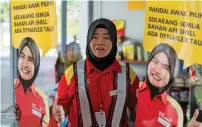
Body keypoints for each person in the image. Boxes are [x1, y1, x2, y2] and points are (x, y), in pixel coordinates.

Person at [48, 18, 139, 127]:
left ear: (114, 41)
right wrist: (59, 112)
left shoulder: (128, 75)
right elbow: (59, 114)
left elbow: (139, 112)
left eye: (106, 37)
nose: (100, 42)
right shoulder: (72, 73)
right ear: (88, 40)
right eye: (95, 37)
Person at [135, 43, 201, 127]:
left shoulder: (175, 109)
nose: (157, 70)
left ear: (172, 75)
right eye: (155, 61)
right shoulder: (132, 89)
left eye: (166, 67)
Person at [14, 37, 50, 127]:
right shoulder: (8, 89)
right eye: (22, 56)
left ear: (36, 65)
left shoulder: (41, 96)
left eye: (30, 59)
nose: (25, 64)